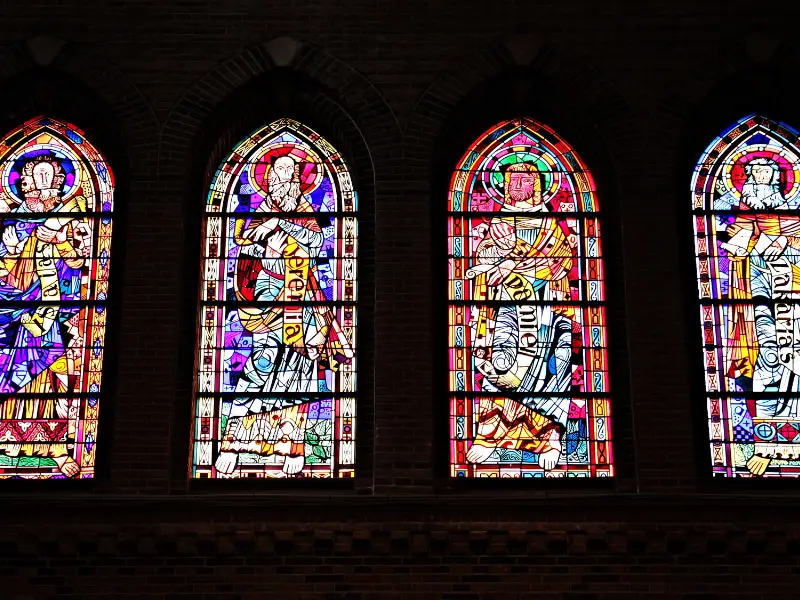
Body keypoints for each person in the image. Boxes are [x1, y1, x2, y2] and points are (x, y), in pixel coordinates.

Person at [214, 155, 353, 476]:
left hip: (299, 288)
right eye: (280, 170)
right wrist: (267, 246)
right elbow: (243, 245)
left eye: (292, 170)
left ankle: (292, 443)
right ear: (269, 176)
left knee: (299, 366)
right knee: (262, 362)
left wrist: (282, 224)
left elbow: (317, 242)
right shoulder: (260, 210)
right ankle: (235, 443)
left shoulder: (303, 209)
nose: (287, 175)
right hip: (266, 289)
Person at [465, 162, 578, 471]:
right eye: (510, 178)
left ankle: (549, 437)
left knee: (548, 371)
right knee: (501, 362)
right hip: (506, 305)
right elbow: (483, 264)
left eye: (523, 179)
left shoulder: (550, 224)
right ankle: (488, 435)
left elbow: (560, 264)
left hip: (543, 309)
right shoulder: (498, 221)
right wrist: (494, 250)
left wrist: (516, 266)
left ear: (536, 184)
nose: (514, 184)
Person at [0, 155, 92, 477]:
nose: (41, 182)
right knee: (10, 373)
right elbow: (5, 275)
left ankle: (54, 448)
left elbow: (79, 266)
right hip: (15, 315)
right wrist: (11, 252)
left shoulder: (66, 222)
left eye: (47, 175)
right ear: (24, 183)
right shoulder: (11, 224)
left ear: (57, 182)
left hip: (49, 315)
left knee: (52, 373)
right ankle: (8, 444)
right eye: (35, 175)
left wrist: (60, 243)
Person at [714, 157, 800, 475]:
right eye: (757, 172)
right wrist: (749, 245)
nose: (762, 177)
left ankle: (787, 440)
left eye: (768, 172)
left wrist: (783, 244)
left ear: (778, 179)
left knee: (793, 360)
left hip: (790, 297)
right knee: (766, 359)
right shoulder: (743, 218)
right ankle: (766, 444)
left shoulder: (792, 219)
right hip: (756, 299)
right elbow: (735, 248)